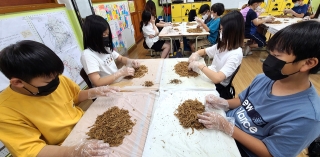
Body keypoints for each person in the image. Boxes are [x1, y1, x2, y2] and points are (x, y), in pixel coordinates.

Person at [197, 21, 320, 157]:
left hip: (241, 150)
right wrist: (223, 102)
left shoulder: (307, 117)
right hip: (225, 125)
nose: (269, 61)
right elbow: (243, 101)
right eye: (270, 53)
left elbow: (272, 153)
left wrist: (228, 128)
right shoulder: (264, 79)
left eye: (277, 56)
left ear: (308, 63)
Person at [0, 40, 120, 157]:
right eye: (48, 81)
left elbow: (74, 96)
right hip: (62, 148)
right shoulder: (5, 111)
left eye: (56, 76)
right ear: (18, 82)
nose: (56, 81)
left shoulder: (56, 79)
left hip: (87, 126)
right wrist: (75, 152)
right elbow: (34, 151)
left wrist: (92, 92)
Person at [188, 10, 244, 99]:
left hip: (218, 86)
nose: (220, 32)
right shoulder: (223, 44)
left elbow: (217, 78)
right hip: (211, 75)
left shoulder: (236, 54)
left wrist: (200, 65)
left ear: (232, 32)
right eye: (220, 29)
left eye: (222, 30)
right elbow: (204, 51)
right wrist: (196, 54)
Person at [81, 15, 139, 87]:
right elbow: (97, 82)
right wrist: (120, 73)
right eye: (104, 34)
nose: (107, 37)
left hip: (117, 81)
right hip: (107, 89)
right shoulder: (87, 55)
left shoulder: (105, 48)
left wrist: (130, 61)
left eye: (107, 34)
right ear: (93, 36)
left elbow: (120, 58)